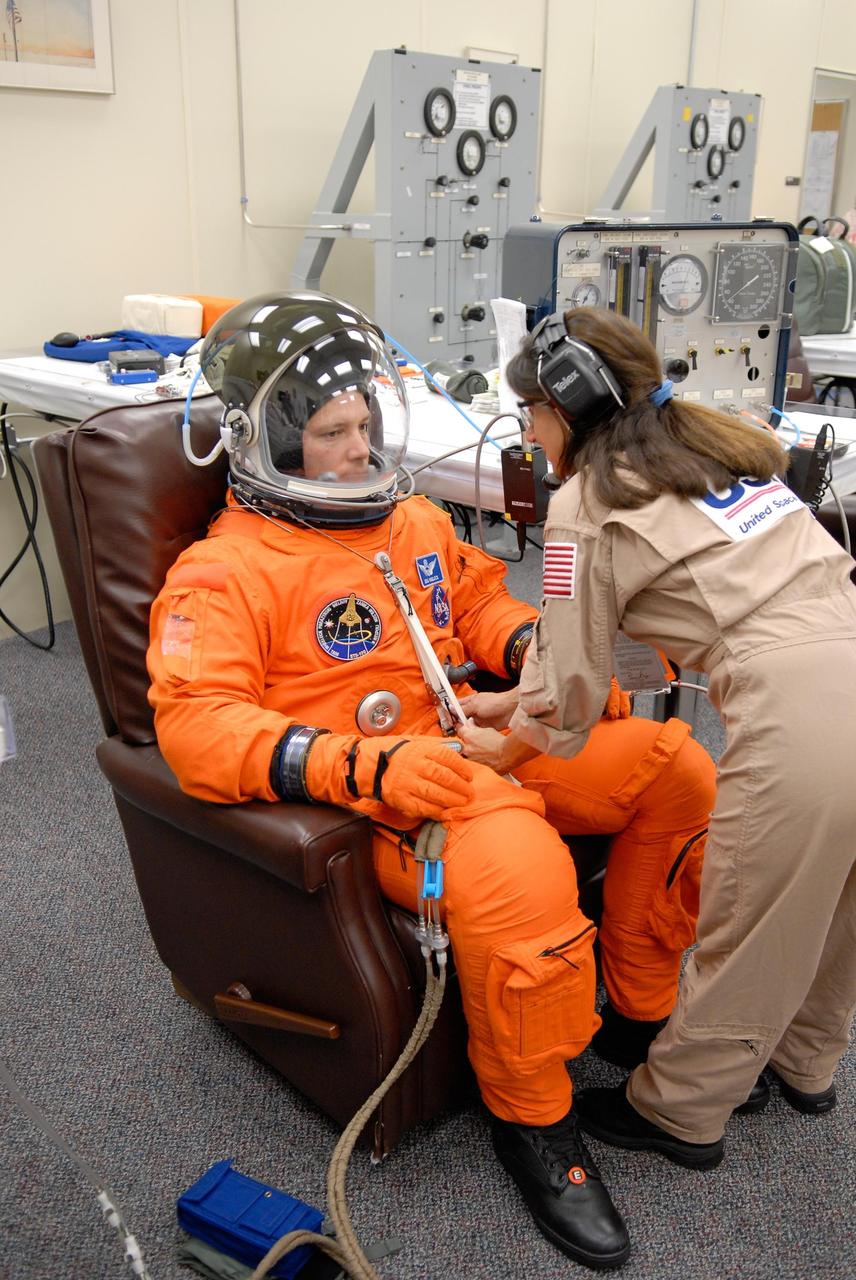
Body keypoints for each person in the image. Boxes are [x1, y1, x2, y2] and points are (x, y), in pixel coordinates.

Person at [146, 291, 716, 1270]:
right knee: (522, 868)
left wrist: (551, 662)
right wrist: (362, 763)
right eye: (331, 432)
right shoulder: (225, 572)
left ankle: (638, 1002)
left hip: (484, 730)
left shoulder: (409, 519)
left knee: (676, 770)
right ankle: (535, 1121)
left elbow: (479, 603)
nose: (359, 447)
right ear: (270, 438)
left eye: (366, 424)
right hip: (384, 788)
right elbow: (196, 724)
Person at [491, 303, 856, 1176]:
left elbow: (574, 685)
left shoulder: (586, 503)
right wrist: (522, 698)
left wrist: (500, 744)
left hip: (797, 711)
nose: (528, 434)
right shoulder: (719, 448)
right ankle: (806, 1065)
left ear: (567, 406)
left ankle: (681, 1112)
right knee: (839, 900)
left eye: (530, 414)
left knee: (750, 923)